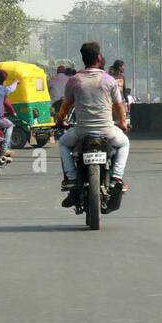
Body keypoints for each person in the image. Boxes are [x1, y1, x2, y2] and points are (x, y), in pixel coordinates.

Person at [56, 41, 130, 207]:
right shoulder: (109, 80)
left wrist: (60, 122)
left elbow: (65, 106)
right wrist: (123, 123)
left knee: (62, 143)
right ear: (98, 58)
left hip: (82, 131)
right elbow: (119, 106)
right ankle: (117, 176)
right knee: (124, 143)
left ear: (83, 59)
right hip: (107, 131)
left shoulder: (74, 80)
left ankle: (72, 178)